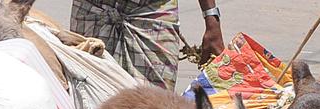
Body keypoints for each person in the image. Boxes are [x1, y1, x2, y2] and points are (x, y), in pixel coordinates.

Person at [70, 0, 224, 90]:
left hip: (153, 13)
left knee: (154, 107)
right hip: (95, 10)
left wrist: (211, 18)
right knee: (89, 98)